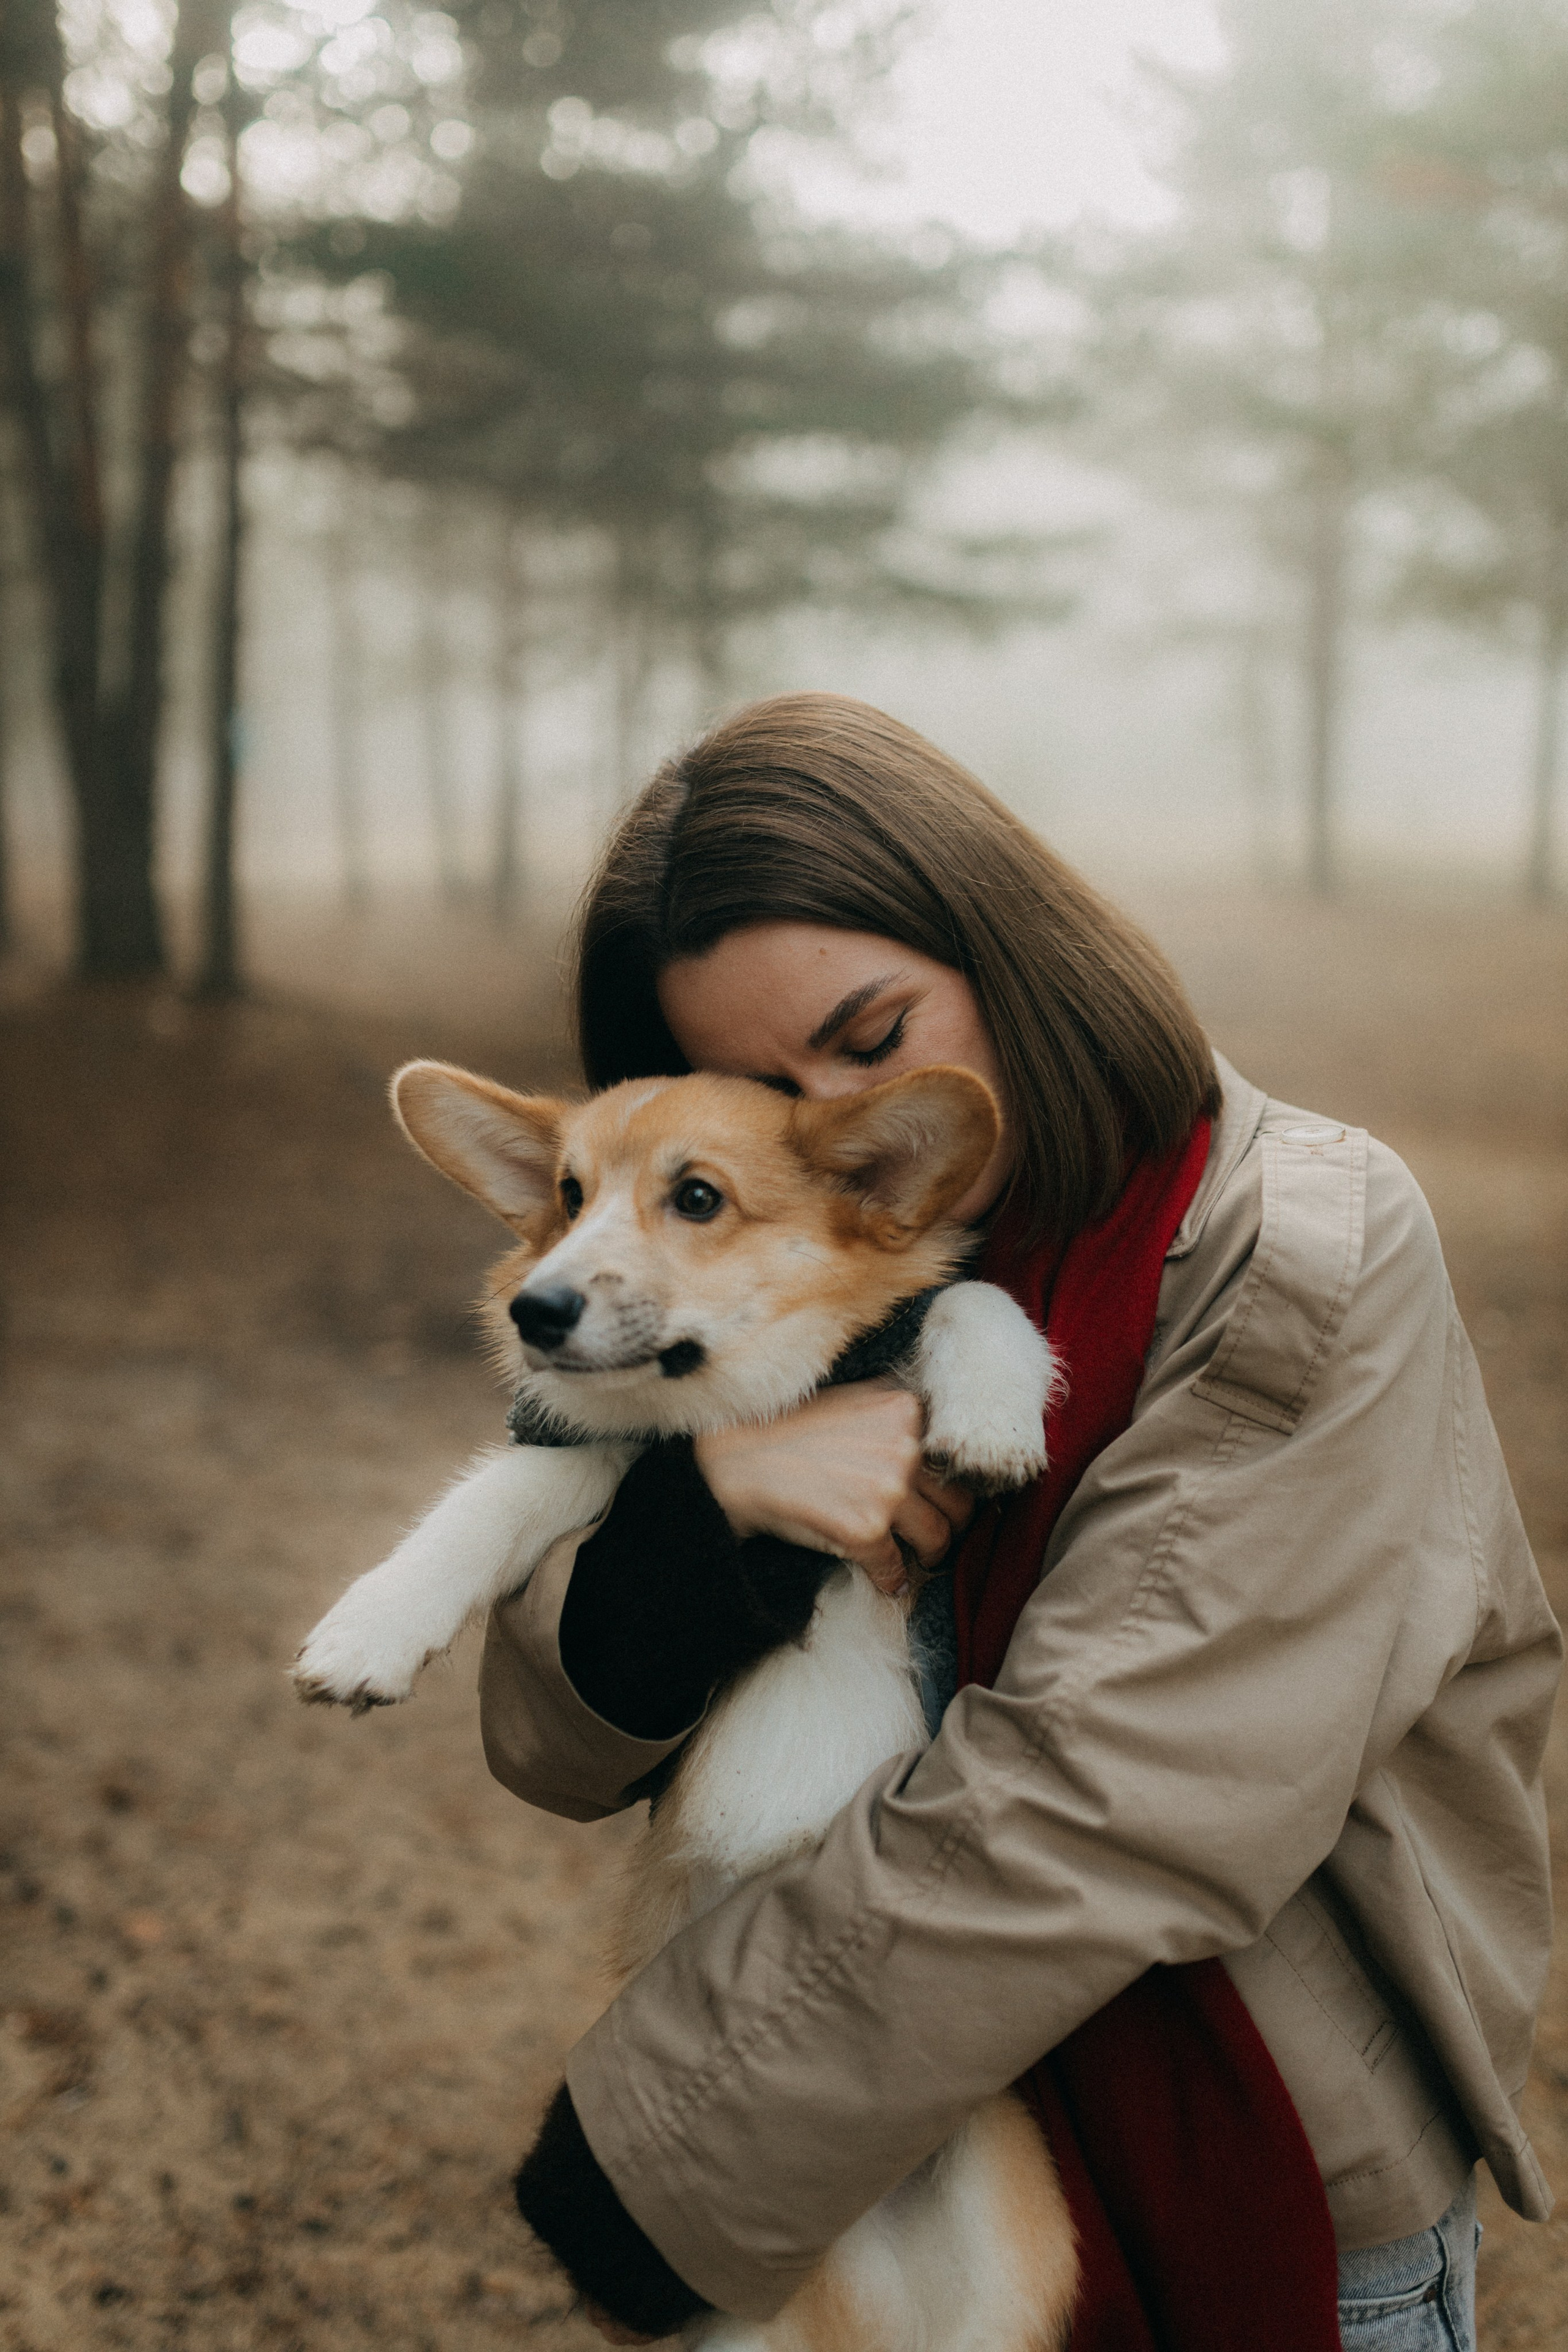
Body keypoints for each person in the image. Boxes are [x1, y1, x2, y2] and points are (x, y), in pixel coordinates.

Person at [480, 693, 1559, 2351]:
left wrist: (675, 2140)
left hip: (1256, 2157)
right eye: (757, 1093)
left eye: (872, 1034)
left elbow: (1114, 1792)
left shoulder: (1295, 1249)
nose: (830, 1125)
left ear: (1000, 941)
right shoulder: (755, 1269)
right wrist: (706, 1527)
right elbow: (555, 1745)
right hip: (893, 2175)